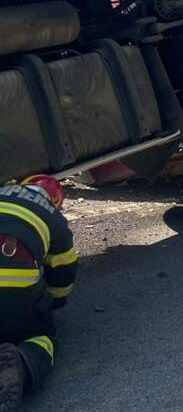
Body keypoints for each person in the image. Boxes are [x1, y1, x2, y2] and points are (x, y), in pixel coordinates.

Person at [0, 175, 77, 411]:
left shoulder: (3, 191)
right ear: (56, 201)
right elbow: (64, 272)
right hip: (12, 288)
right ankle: (22, 361)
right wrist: (51, 302)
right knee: (42, 335)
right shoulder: (52, 215)